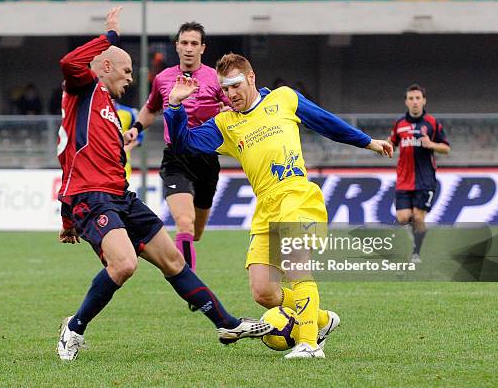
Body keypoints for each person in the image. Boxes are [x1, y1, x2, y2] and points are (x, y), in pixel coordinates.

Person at [56, 8, 271, 361]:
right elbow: (69, 63)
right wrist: (109, 37)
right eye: (127, 72)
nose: (130, 80)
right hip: (94, 199)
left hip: (120, 196)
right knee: (125, 264)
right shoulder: (82, 89)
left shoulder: (108, 109)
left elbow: (68, 159)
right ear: (105, 67)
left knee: (173, 260)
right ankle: (74, 328)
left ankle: (226, 323)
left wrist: (67, 220)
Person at [163, 53, 393, 359]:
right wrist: (175, 106)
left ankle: (310, 344)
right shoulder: (225, 124)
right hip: (266, 205)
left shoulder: (284, 99)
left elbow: (325, 122)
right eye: (225, 89)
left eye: (235, 85)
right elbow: (183, 143)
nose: (231, 94)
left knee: (296, 265)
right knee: (263, 291)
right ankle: (321, 320)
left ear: (251, 78)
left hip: (296, 194)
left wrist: (368, 142)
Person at [124, 22, 231, 278]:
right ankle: (191, 286)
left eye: (194, 43)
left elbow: (232, 107)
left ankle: (184, 257)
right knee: (184, 222)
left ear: (203, 48)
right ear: (177, 46)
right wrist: (135, 129)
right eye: (184, 43)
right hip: (175, 157)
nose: (189, 48)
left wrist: (227, 112)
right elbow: (151, 109)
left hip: (206, 159)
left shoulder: (215, 79)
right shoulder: (163, 78)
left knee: (196, 232)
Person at [389, 84, 450, 263]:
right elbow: (392, 143)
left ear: (424, 101)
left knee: (417, 216)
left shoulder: (432, 123)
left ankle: (416, 252)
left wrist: (432, 145)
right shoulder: (399, 124)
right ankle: (418, 234)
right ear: (406, 102)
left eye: (418, 98)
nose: (415, 102)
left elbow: (446, 148)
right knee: (402, 218)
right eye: (411, 99)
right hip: (403, 178)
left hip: (425, 180)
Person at [113, 100, 143, 179]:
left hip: (122, 165)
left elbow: (139, 136)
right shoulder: (95, 112)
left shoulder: (129, 112)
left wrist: (124, 149)